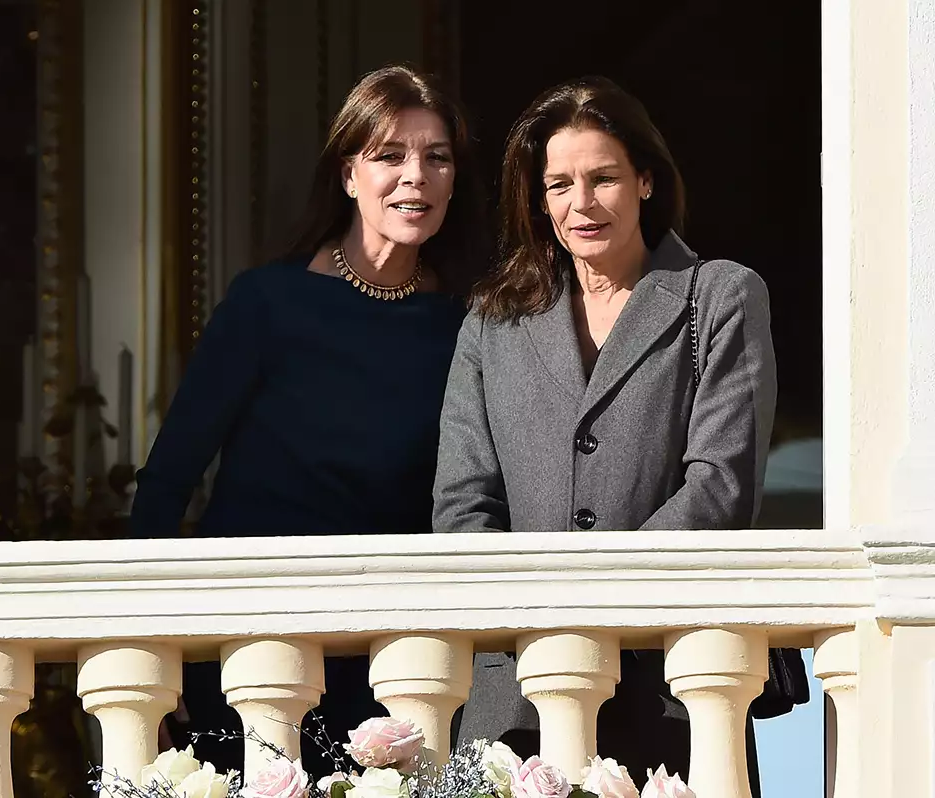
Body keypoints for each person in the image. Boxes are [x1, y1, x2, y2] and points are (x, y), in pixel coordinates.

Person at [131, 65, 487, 774]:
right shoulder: (267, 303)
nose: (416, 175)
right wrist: (152, 648)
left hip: (391, 656)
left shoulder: (470, 324)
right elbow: (169, 480)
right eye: (390, 155)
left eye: (436, 157)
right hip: (250, 644)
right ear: (349, 174)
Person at [432, 77, 776, 791]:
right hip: (515, 698)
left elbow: (720, 489)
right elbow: (463, 507)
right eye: (559, 184)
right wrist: (538, 624)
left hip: (670, 684)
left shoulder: (719, 296)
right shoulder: (492, 321)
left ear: (646, 179)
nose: (580, 204)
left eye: (603, 178)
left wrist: (598, 608)